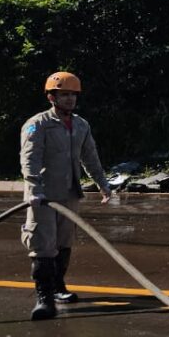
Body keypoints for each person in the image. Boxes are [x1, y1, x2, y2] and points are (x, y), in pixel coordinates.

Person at [19, 71, 112, 321]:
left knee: (64, 242)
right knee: (43, 246)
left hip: (69, 193)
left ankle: (58, 287)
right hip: (43, 196)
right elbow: (29, 159)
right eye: (64, 95)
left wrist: (102, 184)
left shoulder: (81, 125)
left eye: (73, 94)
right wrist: (34, 188)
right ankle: (44, 299)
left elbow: (90, 157)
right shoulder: (38, 124)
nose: (70, 99)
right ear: (51, 97)